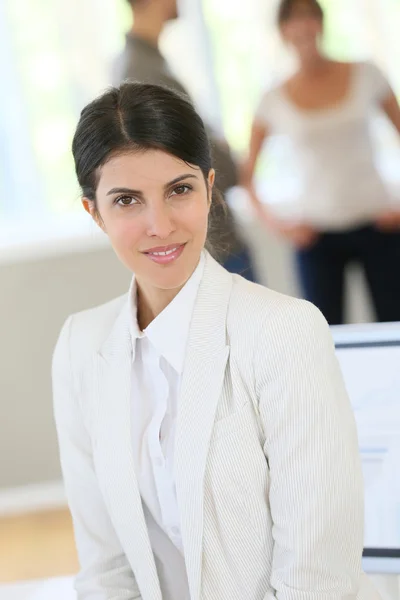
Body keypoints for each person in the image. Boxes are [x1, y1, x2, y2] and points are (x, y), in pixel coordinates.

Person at [52, 81, 380, 600]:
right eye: (127, 200)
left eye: (179, 189)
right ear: (95, 213)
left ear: (209, 188)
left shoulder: (285, 332)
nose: (160, 225)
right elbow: (106, 571)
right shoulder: (80, 347)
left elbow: (318, 583)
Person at [242, 0, 400, 325]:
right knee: (322, 334)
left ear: (321, 22)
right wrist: (280, 226)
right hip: (317, 236)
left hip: (378, 225)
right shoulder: (273, 98)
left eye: (309, 15)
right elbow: (248, 178)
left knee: (393, 323)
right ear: (283, 30)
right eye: (293, 18)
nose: (302, 25)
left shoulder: (367, 74)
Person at [112, 0, 256, 281]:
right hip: (210, 249)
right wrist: (224, 158)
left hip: (212, 243)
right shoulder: (142, 71)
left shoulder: (150, 61)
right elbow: (184, 159)